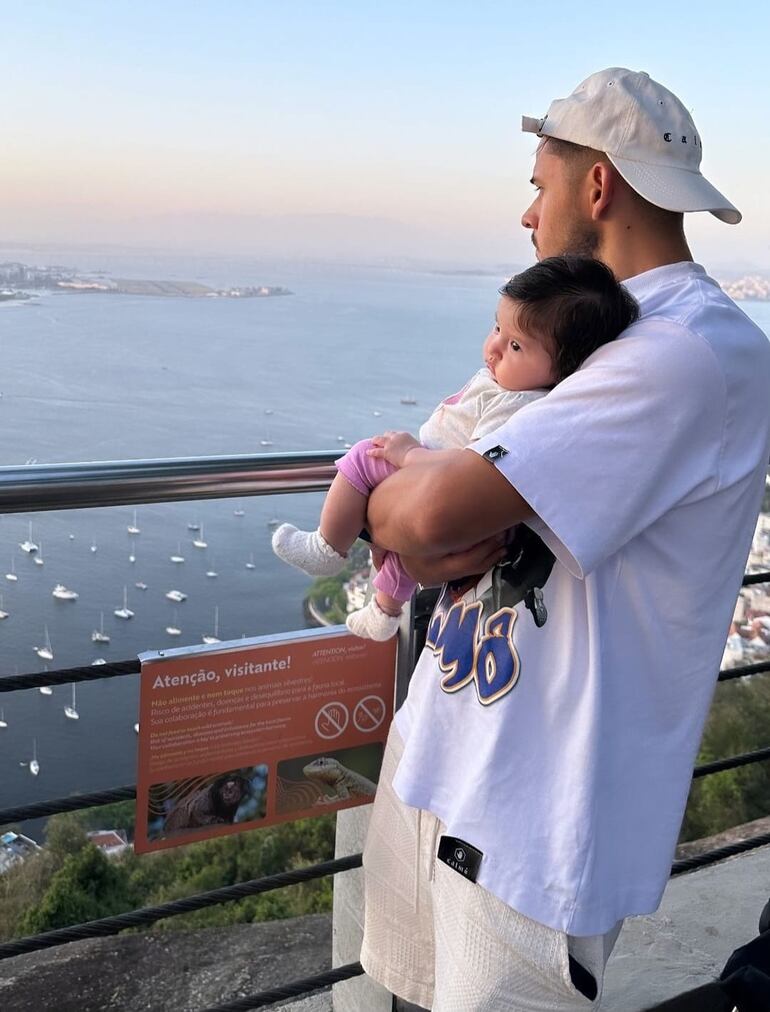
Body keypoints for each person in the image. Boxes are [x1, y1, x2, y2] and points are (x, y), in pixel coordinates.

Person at [356, 68, 770, 1011]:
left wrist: (415, 517)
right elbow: (414, 492)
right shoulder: (577, 327)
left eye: (540, 185)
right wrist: (413, 514)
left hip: (530, 831)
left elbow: (414, 514)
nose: (526, 212)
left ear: (598, 187)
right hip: (444, 763)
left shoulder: (682, 351)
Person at [271, 256, 639, 641]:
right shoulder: (509, 388)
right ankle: (384, 610)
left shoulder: (518, 404)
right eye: (497, 327)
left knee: (364, 456)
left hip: (432, 475)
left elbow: (473, 467)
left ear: (563, 367)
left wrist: (410, 455)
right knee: (402, 554)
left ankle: (328, 547)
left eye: (515, 345)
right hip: (443, 492)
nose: (494, 348)